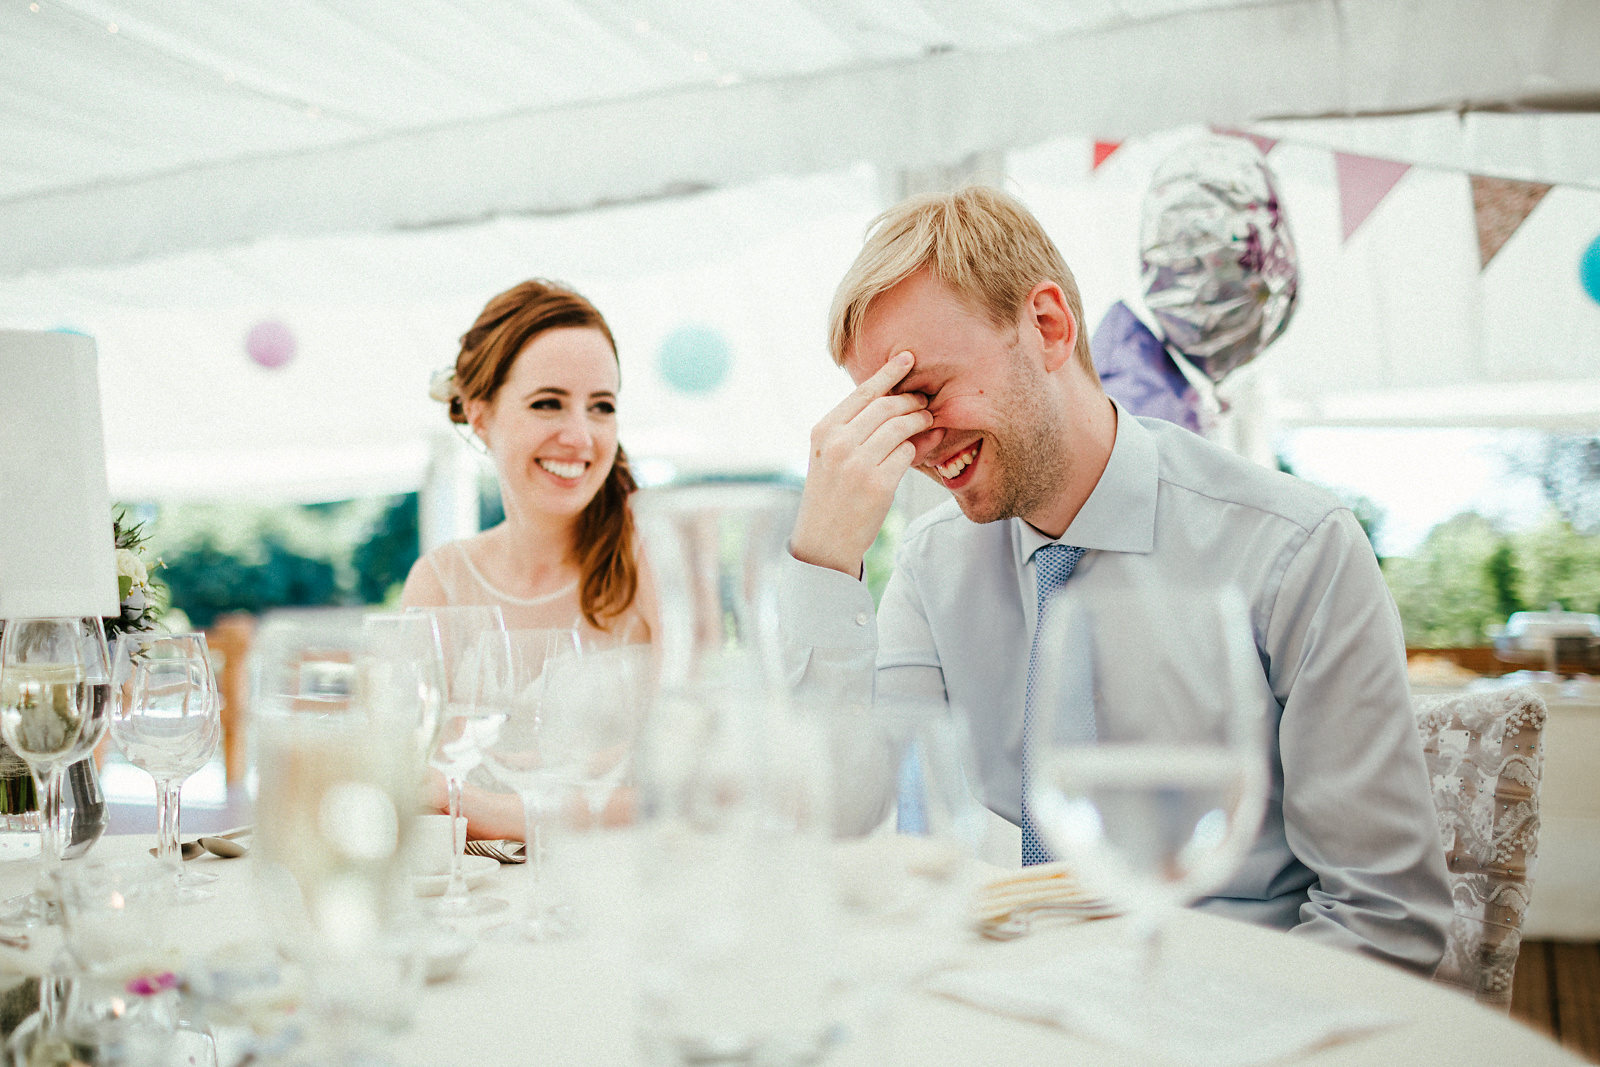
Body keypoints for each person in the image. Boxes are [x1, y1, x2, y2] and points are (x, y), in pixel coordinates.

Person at [779, 186, 1452, 975]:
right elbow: (838, 823)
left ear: (1048, 327)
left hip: (1224, 1003)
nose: (916, 443)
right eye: (882, 409)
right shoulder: (932, 566)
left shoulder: (1293, 550)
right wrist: (824, 562)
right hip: (1012, 999)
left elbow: (1384, 918)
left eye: (923, 392)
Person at [403, 278, 656, 838]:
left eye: (602, 407)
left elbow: (703, 789)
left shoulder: (655, 561)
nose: (579, 435)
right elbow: (410, 780)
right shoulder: (440, 582)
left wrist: (494, 815)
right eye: (548, 403)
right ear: (481, 414)